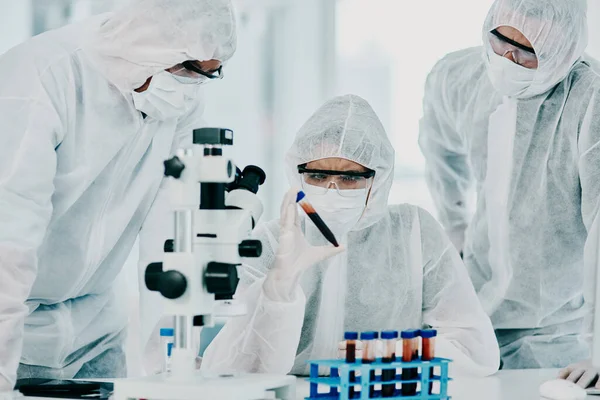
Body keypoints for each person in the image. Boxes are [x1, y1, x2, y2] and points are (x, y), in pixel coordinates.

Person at [0, 0, 236, 390]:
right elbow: (9, 236)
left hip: (95, 328)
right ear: (147, 50)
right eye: (189, 70)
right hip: (17, 326)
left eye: (211, 74)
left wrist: (171, 368)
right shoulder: (42, 77)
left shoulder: (181, 96)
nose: (193, 87)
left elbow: (172, 236)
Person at [201, 94, 500, 376]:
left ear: (378, 179)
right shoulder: (273, 243)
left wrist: (378, 353)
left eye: (349, 178)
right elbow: (233, 370)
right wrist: (279, 289)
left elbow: (474, 350)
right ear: (297, 173)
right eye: (317, 176)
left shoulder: (413, 234)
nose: (331, 190)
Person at [419, 0, 600, 377]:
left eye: (528, 52)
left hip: (559, 337)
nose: (506, 59)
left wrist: (599, 348)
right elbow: (439, 144)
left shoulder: (589, 100)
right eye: (500, 39)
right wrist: (455, 226)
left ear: (563, 52)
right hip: (472, 320)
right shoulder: (462, 76)